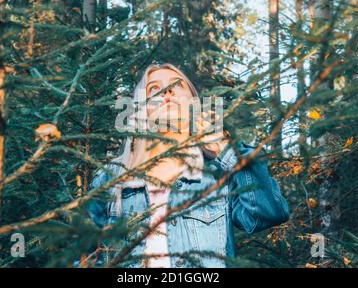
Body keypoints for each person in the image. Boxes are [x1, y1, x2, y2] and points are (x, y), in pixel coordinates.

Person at [87, 63, 289, 268]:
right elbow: (87, 259)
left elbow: (269, 214)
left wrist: (226, 152)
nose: (167, 91)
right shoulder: (110, 177)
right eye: (153, 89)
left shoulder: (218, 174)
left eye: (176, 85)